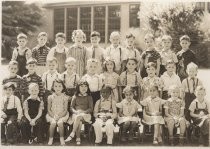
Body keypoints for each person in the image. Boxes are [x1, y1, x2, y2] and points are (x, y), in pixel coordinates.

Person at [65, 80, 93, 145]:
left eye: (85, 86)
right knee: (79, 120)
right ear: (78, 88)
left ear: (88, 88)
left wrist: (83, 112)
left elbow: (91, 108)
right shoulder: (75, 96)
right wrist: (76, 112)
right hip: (76, 114)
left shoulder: (89, 97)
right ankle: (78, 138)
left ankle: (72, 133)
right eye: (82, 86)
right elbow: (71, 107)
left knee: (79, 117)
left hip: (86, 115)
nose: (84, 88)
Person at [46, 79, 69, 145]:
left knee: (60, 123)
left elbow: (65, 110)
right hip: (52, 114)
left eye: (59, 86)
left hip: (62, 115)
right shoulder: (50, 97)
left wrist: (59, 116)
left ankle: (61, 138)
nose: (57, 88)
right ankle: (51, 138)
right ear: (53, 87)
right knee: (53, 123)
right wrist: (53, 116)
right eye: (55, 86)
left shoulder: (65, 97)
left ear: (63, 87)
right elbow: (49, 109)